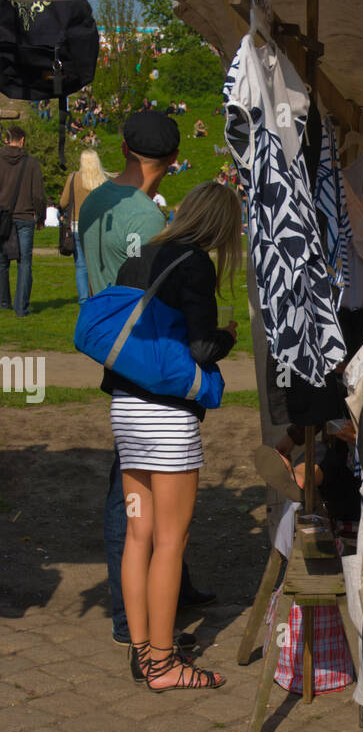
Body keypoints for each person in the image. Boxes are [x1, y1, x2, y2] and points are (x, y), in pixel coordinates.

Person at [79, 110, 214, 653]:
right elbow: (149, 290)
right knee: (132, 500)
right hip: (141, 356)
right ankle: (128, 617)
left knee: (140, 494)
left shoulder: (97, 199)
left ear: (123, 146)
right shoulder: (144, 219)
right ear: (174, 160)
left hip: (110, 339)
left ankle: (171, 587)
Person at [111, 182, 241, 690]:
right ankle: (164, 664)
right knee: (171, 539)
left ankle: (143, 648)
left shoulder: (138, 257)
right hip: (167, 415)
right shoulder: (194, 264)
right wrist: (228, 338)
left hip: (126, 407)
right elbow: (202, 347)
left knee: (138, 532)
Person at [0, 126, 46, 317]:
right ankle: (21, 308)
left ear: (6, 139)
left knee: (2, 262)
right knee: (24, 262)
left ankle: (3, 302)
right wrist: (41, 216)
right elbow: (38, 195)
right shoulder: (32, 163)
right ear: (22, 140)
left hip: (2, 216)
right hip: (25, 216)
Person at [60, 148, 108, 304]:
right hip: (96, 226)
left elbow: (63, 202)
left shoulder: (73, 178)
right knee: (97, 264)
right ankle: (98, 295)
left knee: (81, 265)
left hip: (76, 225)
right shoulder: (103, 180)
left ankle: (83, 299)